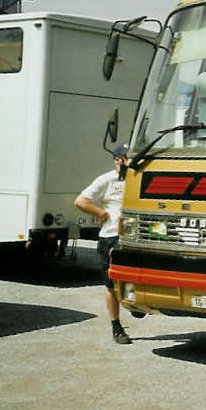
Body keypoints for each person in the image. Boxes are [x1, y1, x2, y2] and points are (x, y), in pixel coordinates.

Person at [74, 143, 131, 345]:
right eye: (126, 156)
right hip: (111, 237)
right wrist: (101, 213)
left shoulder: (137, 178)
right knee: (111, 285)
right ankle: (116, 326)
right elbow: (81, 201)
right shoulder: (107, 180)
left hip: (133, 237)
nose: (130, 160)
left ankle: (136, 305)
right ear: (117, 159)